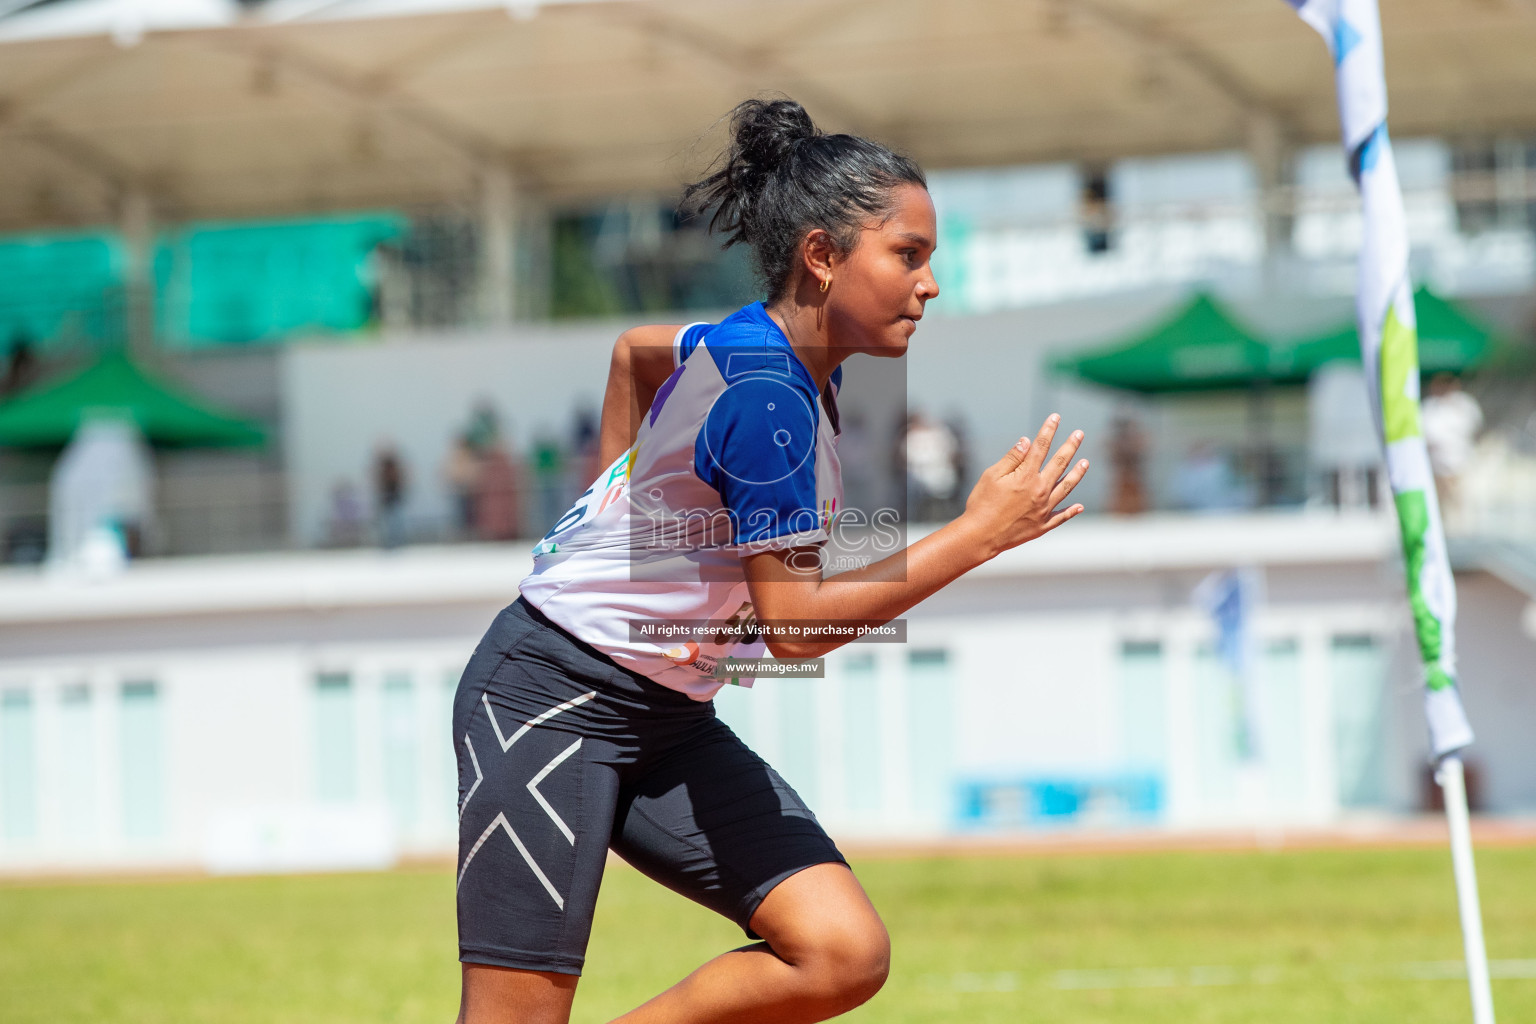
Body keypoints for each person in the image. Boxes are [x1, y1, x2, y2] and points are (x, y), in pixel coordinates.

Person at [451, 97, 1089, 1024]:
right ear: (823, 257)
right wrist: (980, 532)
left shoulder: (759, 350)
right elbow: (794, 630)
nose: (931, 284)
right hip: (548, 700)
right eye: (908, 254)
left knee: (840, 953)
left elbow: (635, 354)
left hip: (666, 718)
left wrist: (621, 509)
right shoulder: (770, 400)